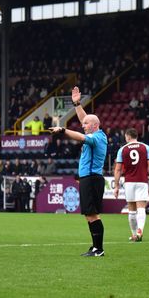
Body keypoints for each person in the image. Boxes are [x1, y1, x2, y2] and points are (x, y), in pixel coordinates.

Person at [49, 87, 107, 257]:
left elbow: (82, 136)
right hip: (88, 178)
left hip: (92, 178)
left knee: (92, 214)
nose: (83, 126)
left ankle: (99, 249)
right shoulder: (96, 132)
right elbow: (86, 121)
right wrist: (76, 104)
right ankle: (96, 247)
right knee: (89, 214)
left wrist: (63, 130)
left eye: (86, 124)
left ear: (95, 126)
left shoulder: (97, 137)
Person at [113, 128, 149, 242]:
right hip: (142, 181)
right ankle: (140, 230)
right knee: (141, 208)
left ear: (128, 136)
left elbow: (117, 169)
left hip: (129, 182)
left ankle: (134, 234)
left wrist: (116, 186)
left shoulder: (122, 149)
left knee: (131, 209)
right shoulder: (145, 147)